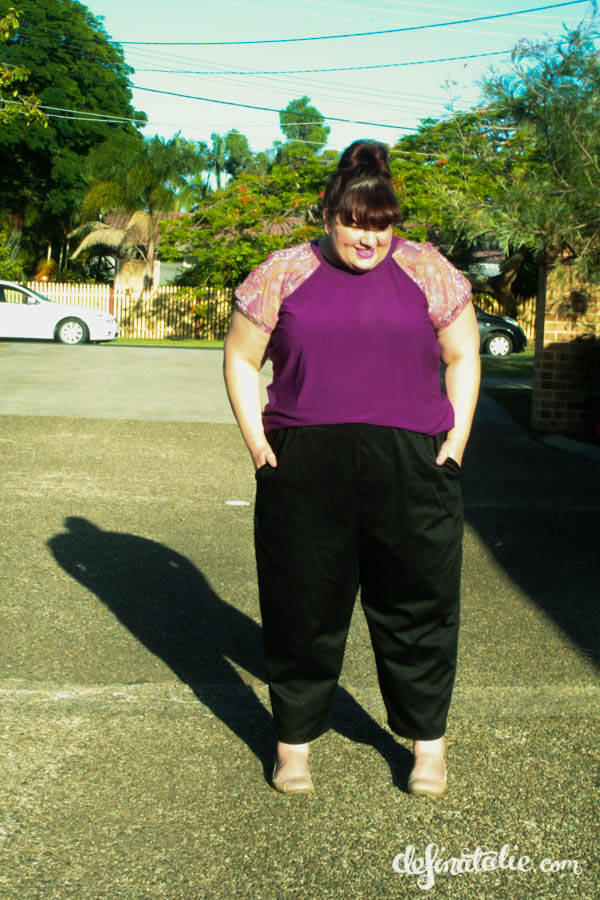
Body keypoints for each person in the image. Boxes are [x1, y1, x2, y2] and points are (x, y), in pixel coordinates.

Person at [223, 139, 480, 797]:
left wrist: (456, 442)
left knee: (418, 606)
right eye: (353, 223)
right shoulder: (282, 272)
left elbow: (463, 354)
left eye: (380, 224)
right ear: (328, 214)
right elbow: (241, 359)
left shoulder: (429, 270)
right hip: (307, 467)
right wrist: (257, 445)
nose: (368, 239)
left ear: (393, 219)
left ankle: (428, 750)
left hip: (413, 467)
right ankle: (294, 748)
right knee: (301, 607)